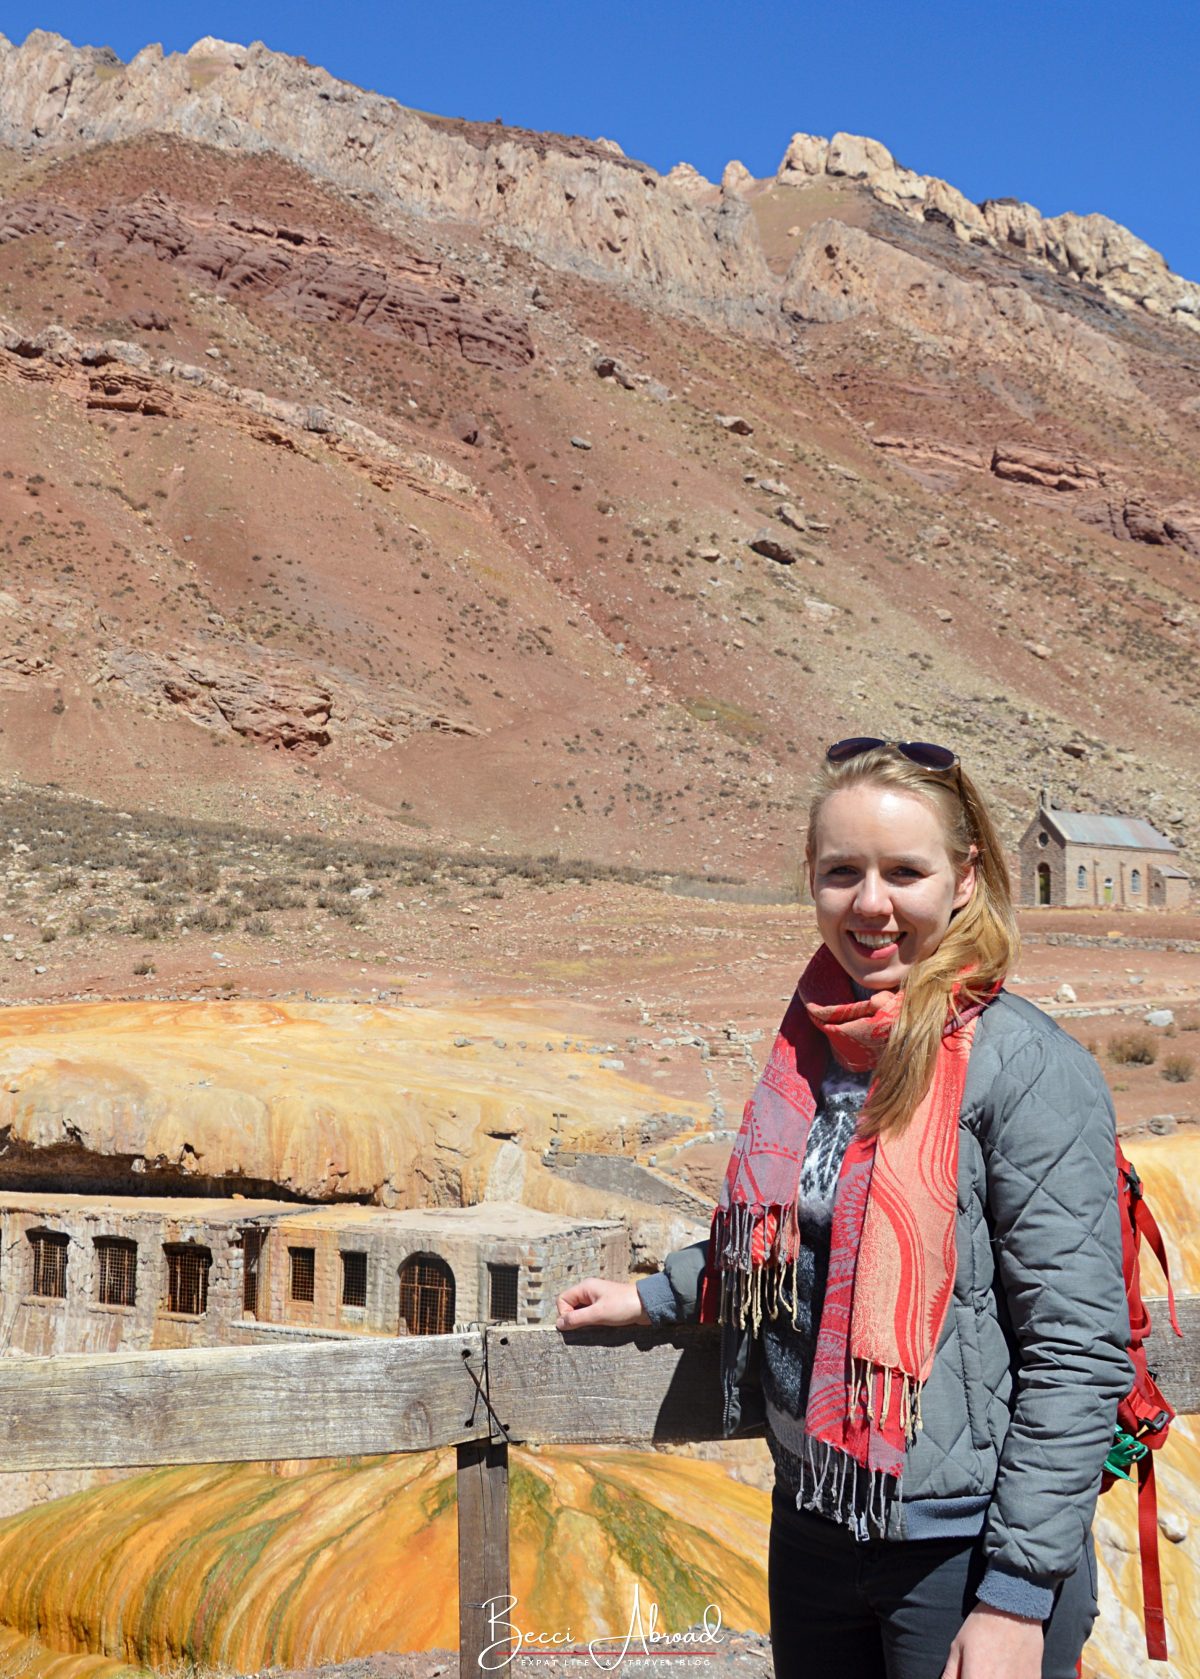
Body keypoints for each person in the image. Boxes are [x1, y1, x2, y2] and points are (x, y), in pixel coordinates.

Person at [555, 740, 1130, 1679]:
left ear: (964, 876)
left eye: (904, 871)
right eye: (842, 872)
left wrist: (1017, 1598)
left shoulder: (1024, 1066)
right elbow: (806, 1233)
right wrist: (663, 1292)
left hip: (963, 1548)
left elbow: (1077, 1350)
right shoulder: (818, 1043)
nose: (871, 904)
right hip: (819, 1518)